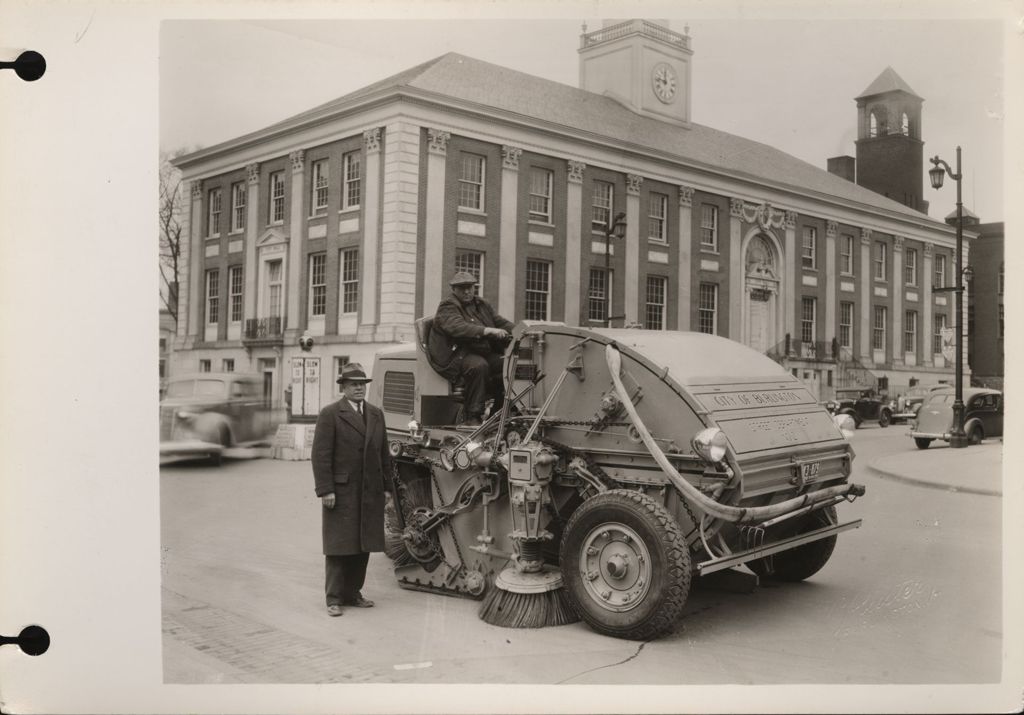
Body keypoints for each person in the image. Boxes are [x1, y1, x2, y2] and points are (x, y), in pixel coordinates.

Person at [311, 362, 392, 617]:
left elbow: (384, 455)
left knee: (363, 544)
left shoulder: (376, 414)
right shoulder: (330, 414)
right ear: (343, 388)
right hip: (341, 491)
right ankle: (334, 598)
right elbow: (320, 455)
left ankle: (353, 593)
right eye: (353, 385)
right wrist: (326, 490)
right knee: (339, 546)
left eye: (362, 384)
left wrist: (387, 489)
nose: (359, 389)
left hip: (369, 490)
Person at [431, 271, 514, 426]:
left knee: (509, 364)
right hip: (455, 356)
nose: (467, 291)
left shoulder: (481, 304)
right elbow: (458, 327)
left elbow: (500, 322)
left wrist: (523, 331)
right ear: (453, 289)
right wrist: (487, 331)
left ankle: (499, 412)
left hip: (477, 351)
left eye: (469, 287)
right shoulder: (447, 306)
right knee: (479, 366)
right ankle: (472, 417)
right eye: (462, 288)